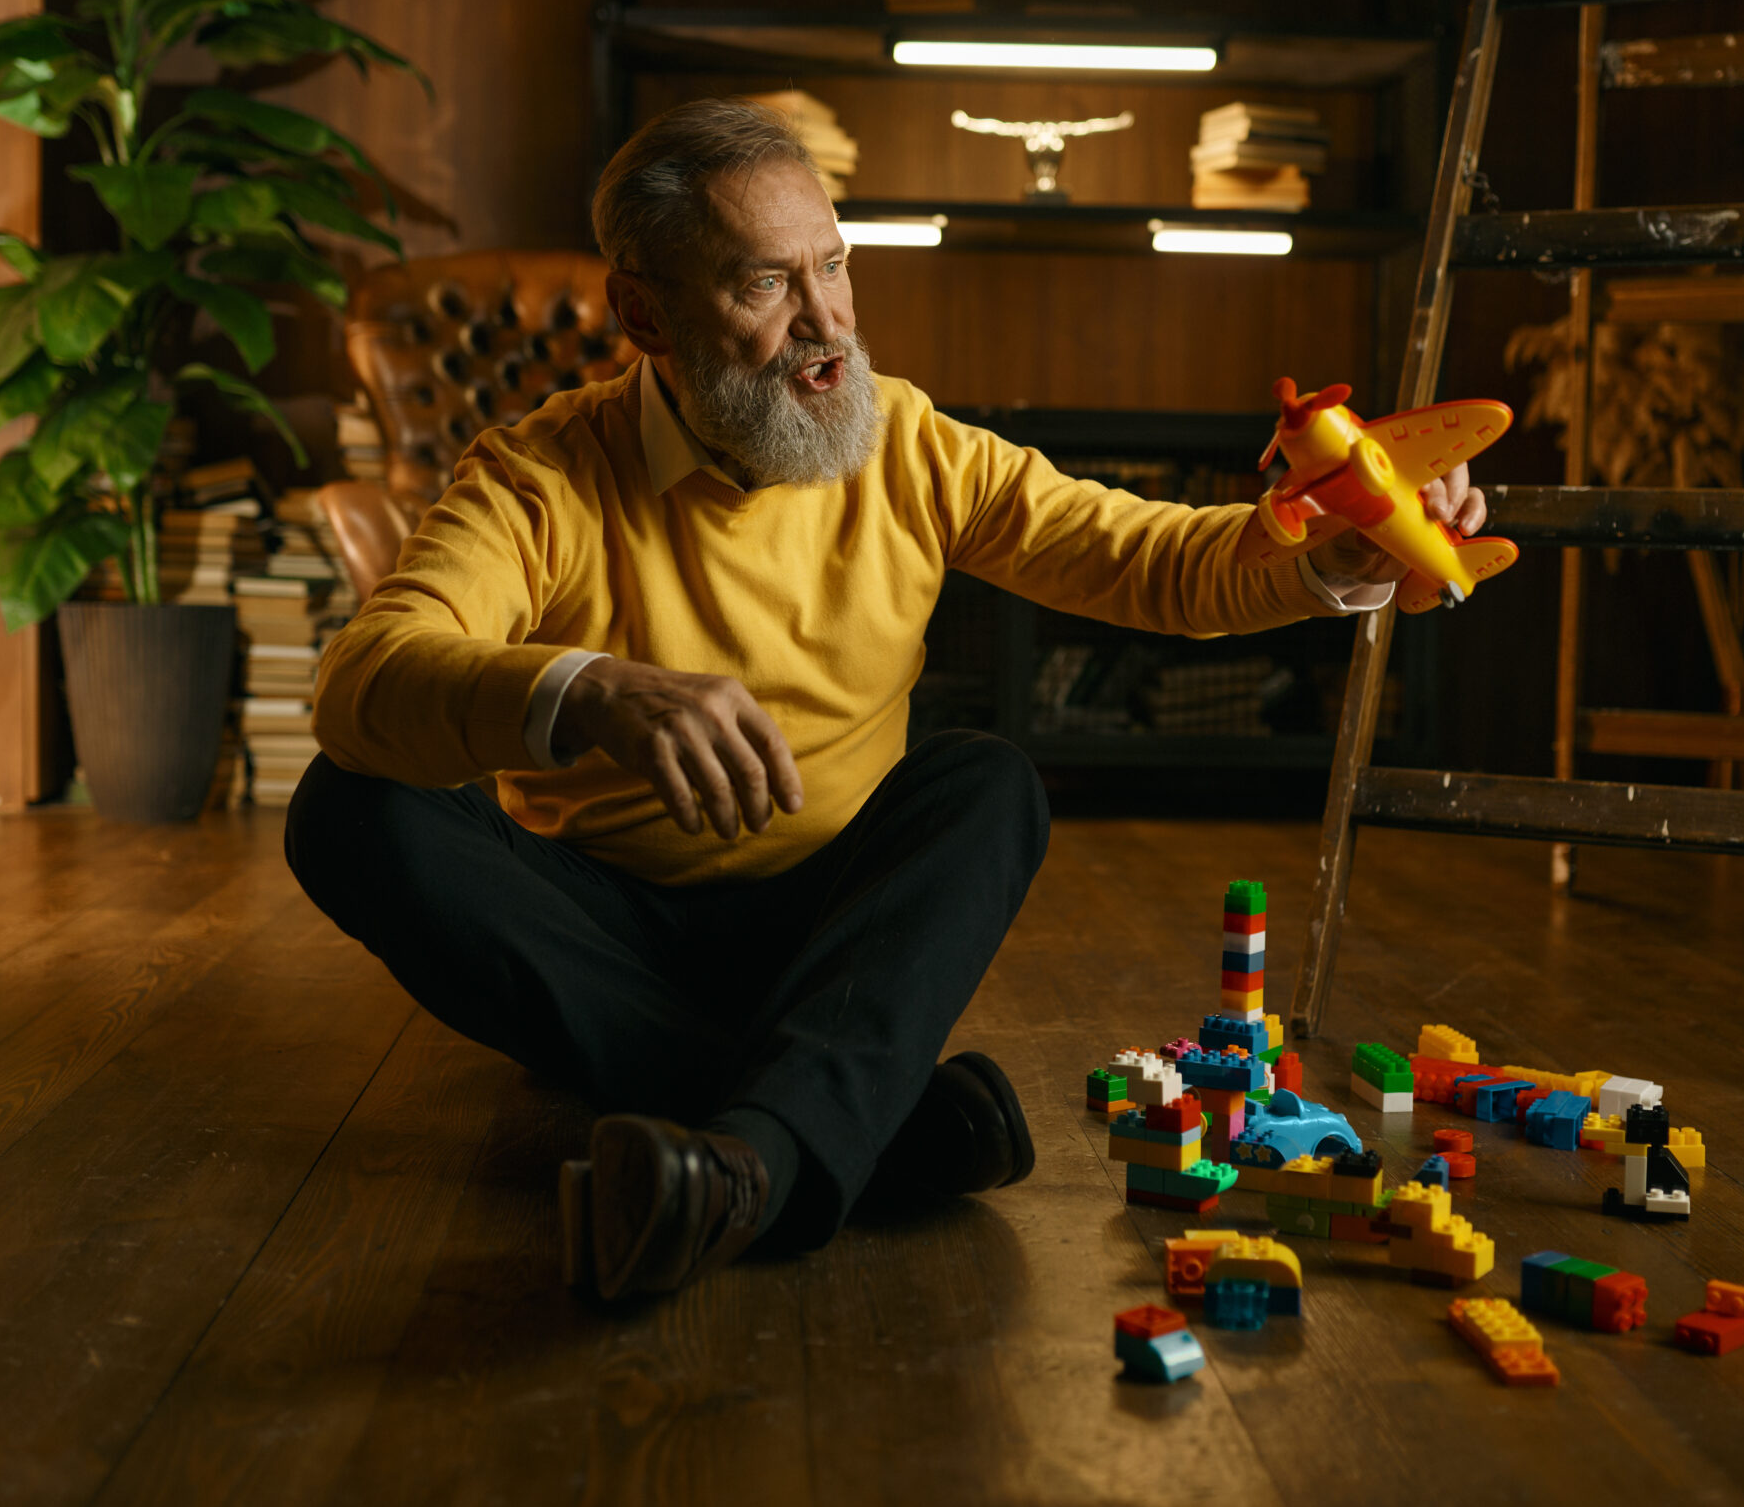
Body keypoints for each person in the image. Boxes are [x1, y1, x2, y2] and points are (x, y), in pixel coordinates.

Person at [287, 98, 1488, 1301]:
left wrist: (1329, 557)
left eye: (834, 266)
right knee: (348, 809)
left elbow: (1144, 556)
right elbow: (366, 674)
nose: (825, 325)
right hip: (606, 932)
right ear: (644, 312)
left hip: (835, 930)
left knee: (986, 780)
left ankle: (759, 1143)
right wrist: (589, 690)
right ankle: (847, 1125)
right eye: (765, 284)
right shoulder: (539, 473)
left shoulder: (907, 442)